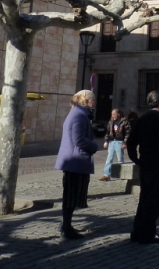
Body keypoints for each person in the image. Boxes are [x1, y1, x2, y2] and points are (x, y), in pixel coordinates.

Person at [128, 90, 159, 244]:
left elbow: (131, 142)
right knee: (154, 201)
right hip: (156, 166)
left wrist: (137, 160)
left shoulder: (142, 119)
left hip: (145, 164)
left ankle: (137, 231)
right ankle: (147, 234)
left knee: (144, 199)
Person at [55, 90, 99, 239]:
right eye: (92, 99)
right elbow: (78, 139)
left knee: (71, 195)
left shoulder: (78, 113)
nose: (94, 102)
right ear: (85, 100)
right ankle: (66, 227)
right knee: (71, 195)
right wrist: (93, 146)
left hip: (75, 162)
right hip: (75, 162)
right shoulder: (79, 115)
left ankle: (67, 225)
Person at [100, 108, 130, 181]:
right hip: (111, 141)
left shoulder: (124, 121)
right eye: (112, 114)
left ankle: (122, 174)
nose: (112, 116)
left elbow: (127, 133)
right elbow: (107, 132)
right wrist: (106, 141)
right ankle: (106, 175)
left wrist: (125, 143)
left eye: (114, 114)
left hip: (119, 141)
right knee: (109, 159)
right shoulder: (111, 122)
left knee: (120, 159)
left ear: (118, 114)